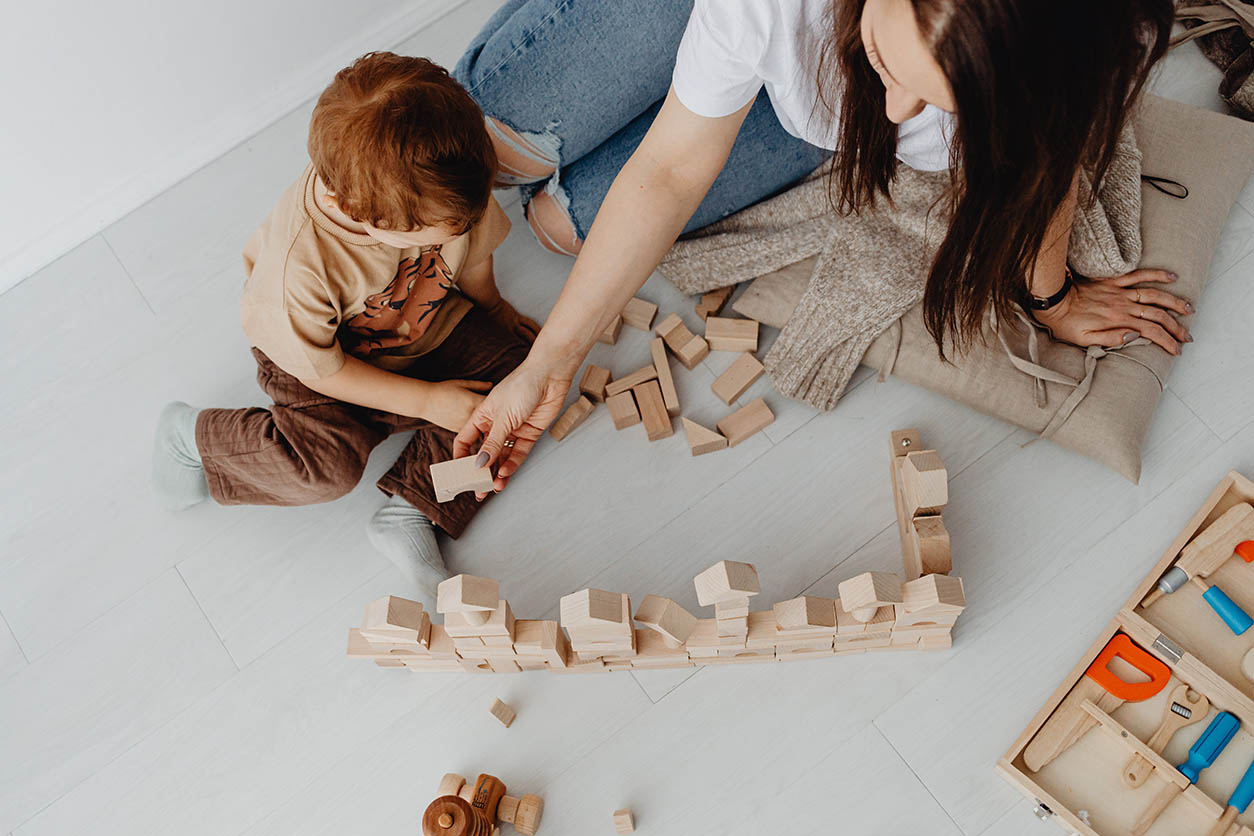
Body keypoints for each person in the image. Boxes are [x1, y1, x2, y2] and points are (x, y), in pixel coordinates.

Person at [451, 0, 1192, 492]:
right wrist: (552, 359)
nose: (898, 115)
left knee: (561, 225)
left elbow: (1045, 162)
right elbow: (670, 167)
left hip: (803, 54)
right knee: (490, 149)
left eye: (936, 102)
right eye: (888, 66)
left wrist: (1053, 294)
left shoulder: (1087, 38)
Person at [151, 52, 539, 601]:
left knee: (520, 382)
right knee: (323, 470)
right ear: (359, 214)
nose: (459, 230)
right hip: (316, 365)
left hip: (419, 327)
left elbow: (473, 256)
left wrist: (495, 309)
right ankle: (191, 438)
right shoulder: (300, 265)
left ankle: (412, 512)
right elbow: (325, 368)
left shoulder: (444, 187)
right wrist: (429, 403)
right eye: (434, 230)